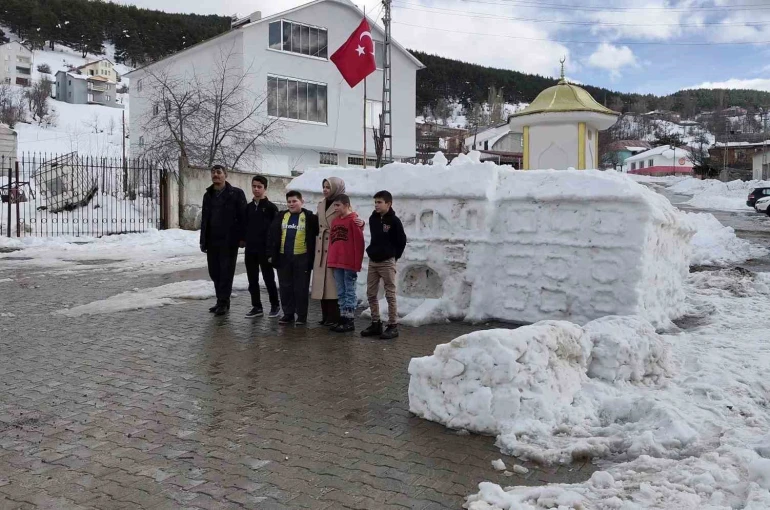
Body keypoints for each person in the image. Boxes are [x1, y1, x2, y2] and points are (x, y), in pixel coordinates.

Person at [312, 178, 365, 326]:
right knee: (332, 286)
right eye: (324, 186)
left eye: (328, 187)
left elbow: (355, 228)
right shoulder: (322, 204)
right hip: (328, 250)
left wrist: (361, 223)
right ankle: (332, 316)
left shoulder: (344, 208)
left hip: (343, 255)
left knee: (341, 288)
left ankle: (343, 317)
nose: (325, 189)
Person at [200, 164, 248, 316]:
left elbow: (243, 217)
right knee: (214, 272)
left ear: (225, 175)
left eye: (219, 172)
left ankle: (223, 302)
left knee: (226, 272)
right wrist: (203, 240)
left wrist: (243, 237)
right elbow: (205, 219)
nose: (216, 175)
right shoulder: (208, 195)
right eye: (213, 172)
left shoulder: (236, 194)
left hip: (229, 240)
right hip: (212, 240)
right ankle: (220, 300)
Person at [267, 190, 318, 326]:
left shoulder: (310, 218)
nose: (291, 204)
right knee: (285, 287)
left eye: (294, 201)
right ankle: (288, 314)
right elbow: (272, 235)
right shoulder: (281, 216)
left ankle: (301, 316)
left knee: (301, 288)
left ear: (302, 202)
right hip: (283, 257)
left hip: (302, 258)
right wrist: (271, 254)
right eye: (289, 201)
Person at [361, 190, 407, 339]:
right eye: (375, 202)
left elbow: (401, 241)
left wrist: (393, 256)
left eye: (379, 202)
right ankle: (376, 323)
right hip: (373, 261)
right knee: (371, 293)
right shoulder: (373, 218)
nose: (376, 205)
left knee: (390, 294)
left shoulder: (394, 221)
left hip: (387, 262)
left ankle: (393, 325)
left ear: (388, 204)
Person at [242, 175, 281, 319]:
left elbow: (275, 230)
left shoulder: (271, 208)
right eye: (254, 186)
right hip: (251, 250)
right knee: (252, 279)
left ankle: (275, 305)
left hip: (265, 250)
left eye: (259, 187)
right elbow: (244, 226)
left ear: (265, 188)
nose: (256, 189)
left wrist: (273, 250)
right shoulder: (248, 207)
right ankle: (256, 306)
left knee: (268, 278)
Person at [326, 194, 365, 333]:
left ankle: (349, 319)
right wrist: (331, 259)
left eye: (338, 205)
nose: (335, 208)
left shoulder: (353, 220)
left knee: (349, 290)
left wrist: (356, 262)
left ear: (346, 205)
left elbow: (359, 243)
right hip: (337, 262)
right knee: (341, 290)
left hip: (349, 262)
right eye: (334, 205)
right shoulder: (335, 221)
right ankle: (343, 316)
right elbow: (332, 242)